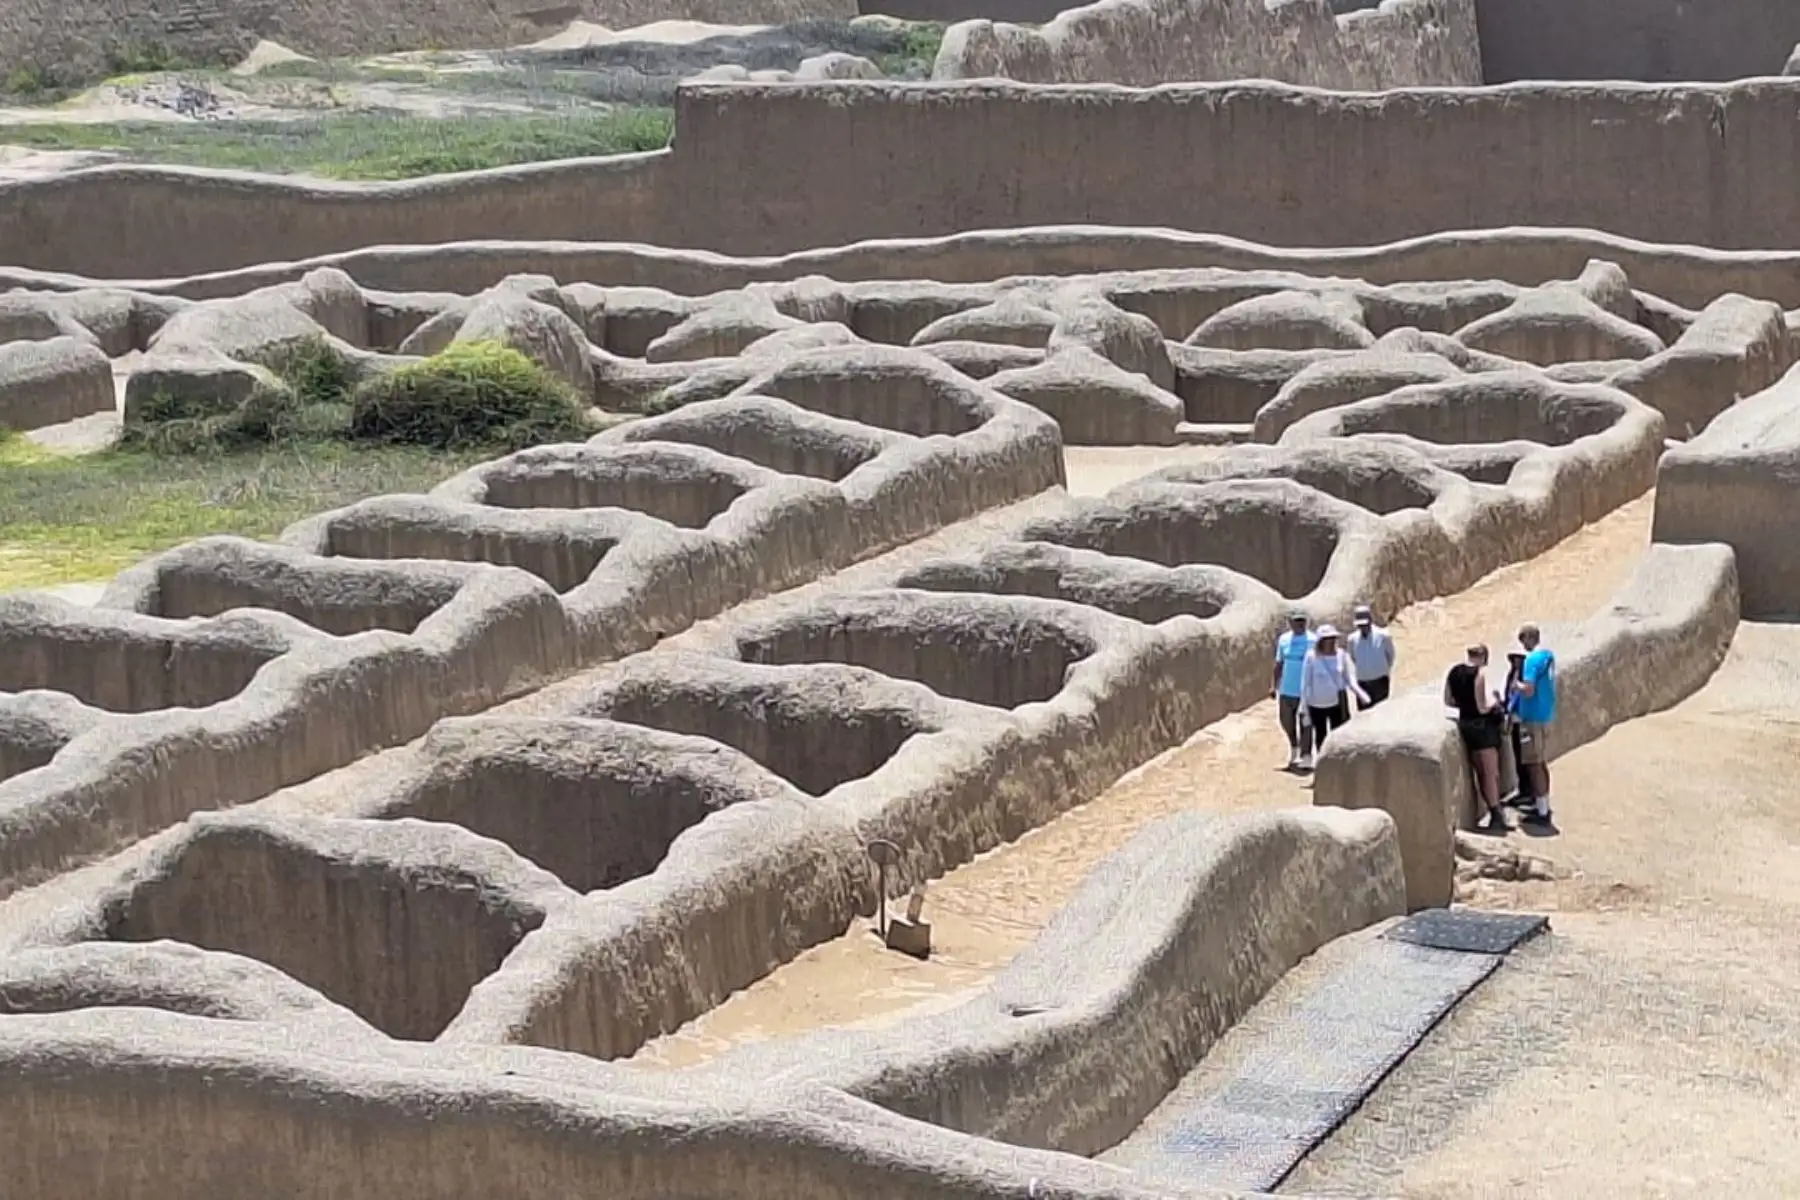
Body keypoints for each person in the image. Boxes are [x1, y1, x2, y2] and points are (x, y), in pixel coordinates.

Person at [1444, 643, 1510, 832]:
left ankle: (1495, 811)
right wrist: (1495, 702)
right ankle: (1496, 814)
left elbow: (1448, 701)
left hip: (1466, 724)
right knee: (1490, 773)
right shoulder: (1480, 674)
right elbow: (1483, 706)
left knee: (1481, 772)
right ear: (1484, 657)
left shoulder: (1453, 672)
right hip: (1483, 728)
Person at [1510, 622, 1557, 827]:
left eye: (1523, 639)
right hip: (1545, 715)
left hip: (1532, 719)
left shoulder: (1531, 660)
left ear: (1529, 638)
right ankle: (1543, 804)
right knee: (1542, 763)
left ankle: (1542, 812)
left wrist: (1516, 685)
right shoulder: (1547, 657)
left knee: (1534, 765)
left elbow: (1528, 689)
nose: (1522, 644)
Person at [1301, 624, 1368, 760]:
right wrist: (1304, 709)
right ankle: (1322, 761)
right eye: (1327, 639)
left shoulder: (1342, 655)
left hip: (1337, 703)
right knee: (1321, 735)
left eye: (1332, 638)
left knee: (1339, 734)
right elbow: (1305, 684)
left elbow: (1349, 679)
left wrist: (1361, 694)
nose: (1331, 642)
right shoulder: (1311, 657)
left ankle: (1338, 761)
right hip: (1317, 704)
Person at [1272, 612, 1314, 771]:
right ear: (1290, 623)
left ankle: (1306, 756)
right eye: (1296, 621)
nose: (1300, 624)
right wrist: (1273, 685)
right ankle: (1294, 746)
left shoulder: (1314, 640)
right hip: (1287, 689)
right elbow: (1278, 663)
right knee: (1285, 720)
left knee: (1306, 723)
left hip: (1306, 690)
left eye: (1303, 621)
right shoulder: (1284, 640)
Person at [1346, 604, 1396, 708]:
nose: (1363, 627)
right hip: (1363, 683)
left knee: (1382, 712)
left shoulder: (1383, 636)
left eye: (1364, 624)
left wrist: (1382, 669)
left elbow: (1390, 656)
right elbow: (1353, 658)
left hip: (1380, 682)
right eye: (1360, 625)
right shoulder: (1352, 640)